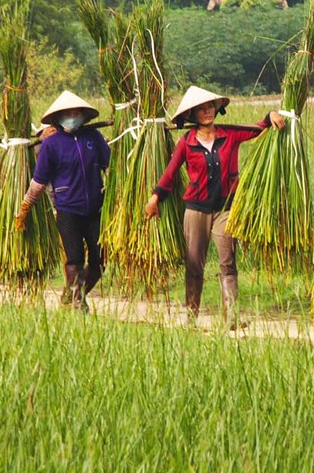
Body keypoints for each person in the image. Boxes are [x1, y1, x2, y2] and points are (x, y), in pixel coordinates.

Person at [144, 86, 285, 324]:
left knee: (227, 262)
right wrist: (155, 197)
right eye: (201, 109)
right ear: (193, 115)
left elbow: (256, 130)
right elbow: (170, 173)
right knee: (194, 264)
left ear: (217, 109)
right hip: (196, 210)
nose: (207, 111)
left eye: (210, 106)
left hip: (225, 208)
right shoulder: (187, 142)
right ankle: (191, 317)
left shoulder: (230, 135)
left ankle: (231, 317)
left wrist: (270, 115)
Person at [15, 92, 109, 311]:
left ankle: (74, 293)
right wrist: (26, 205)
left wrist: (119, 192)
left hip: (95, 207)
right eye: (68, 113)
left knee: (99, 261)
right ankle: (78, 302)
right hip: (67, 208)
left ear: (84, 116)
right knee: (74, 258)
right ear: (59, 117)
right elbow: (39, 180)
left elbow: (108, 165)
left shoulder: (93, 137)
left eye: (77, 113)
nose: (73, 116)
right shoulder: (52, 144)